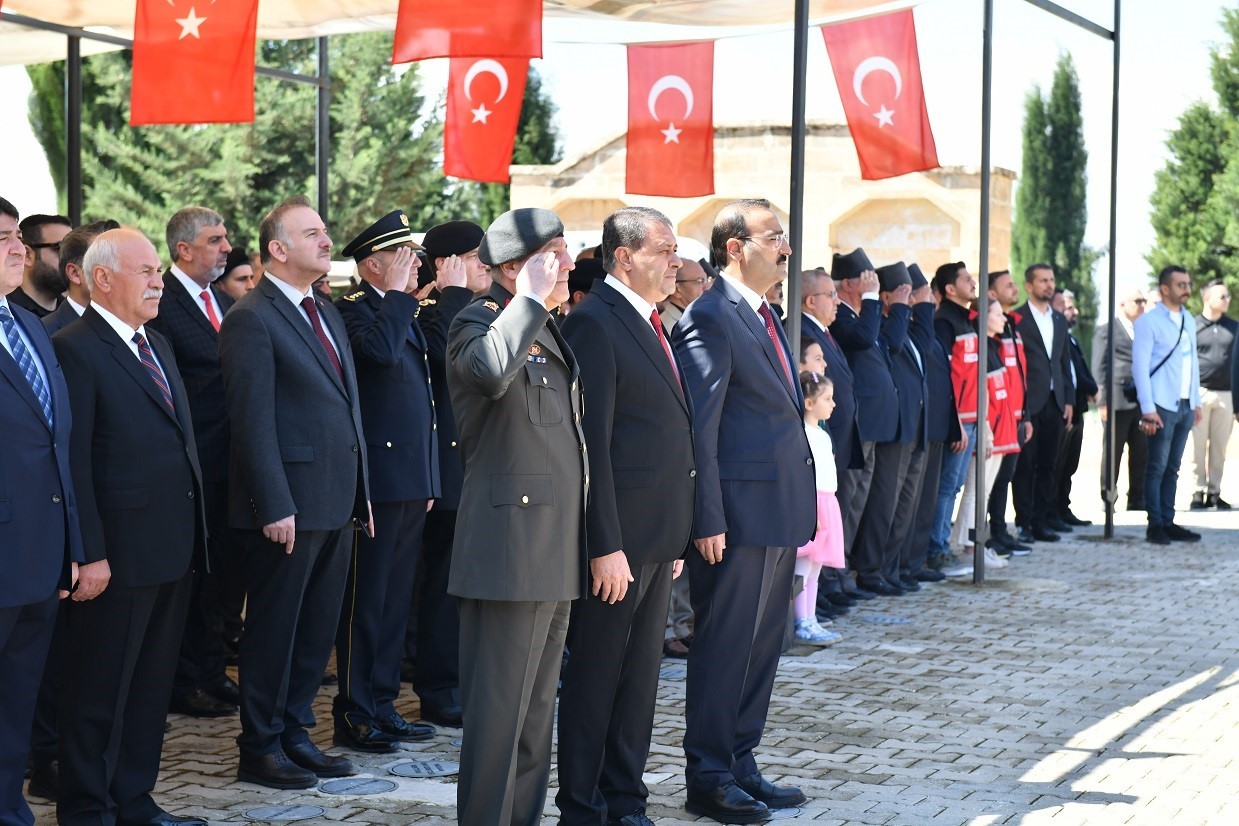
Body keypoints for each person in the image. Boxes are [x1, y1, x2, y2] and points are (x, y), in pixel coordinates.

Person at [53, 227, 207, 826]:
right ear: (102, 279)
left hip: (170, 548)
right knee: (98, 694)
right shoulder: (75, 347)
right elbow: (75, 460)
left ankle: (133, 800)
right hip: (115, 555)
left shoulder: (157, 343)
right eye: (144, 271)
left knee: (147, 691)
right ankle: (88, 810)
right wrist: (89, 551)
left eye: (156, 271)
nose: (158, 279)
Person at [217, 195, 372, 789]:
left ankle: (294, 733)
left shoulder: (325, 311)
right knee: (276, 630)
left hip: (336, 500)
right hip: (289, 505)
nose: (327, 240)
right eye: (313, 233)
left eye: (325, 230)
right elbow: (250, 422)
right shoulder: (251, 317)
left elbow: (348, 408)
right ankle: (258, 746)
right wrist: (272, 502)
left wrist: (362, 494)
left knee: (315, 631)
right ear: (277, 249)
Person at [672, 198, 815, 823]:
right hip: (735, 518)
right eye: (774, 237)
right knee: (725, 648)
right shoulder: (711, 314)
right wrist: (707, 518)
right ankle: (707, 776)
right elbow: (699, 431)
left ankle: (740, 761)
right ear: (736, 248)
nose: (786, 249)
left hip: (774, 510)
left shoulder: (761, 313)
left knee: (762, 647)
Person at [445, 208, 586, 826]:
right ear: (512, 265)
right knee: (499, 721)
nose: (568, 263)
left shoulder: (548, 327)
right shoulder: (475, 322)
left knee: (534, 722)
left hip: (553, 546)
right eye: (554, 251)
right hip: (508, 550)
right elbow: (491, 373)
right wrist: (526, 299)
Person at [556, 206, 696, 825]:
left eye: (675, 250)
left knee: (640, 683)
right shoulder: (596, 322)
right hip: (617, 544)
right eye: (663, 250)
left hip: (656, 537)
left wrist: (671, 537)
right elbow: (592, 445)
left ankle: (625, 797)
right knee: (595, 680)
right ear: (622, 258)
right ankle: (581, 806)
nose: (676, 261)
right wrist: (603, 544)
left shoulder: (654, 321)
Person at [331, 210, 442, 753]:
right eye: (405, 255)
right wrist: (398, 295)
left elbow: (419, 401)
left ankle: (381, 702)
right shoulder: (352, 311)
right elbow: (377, 356)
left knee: (396, 599)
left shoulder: (404, 311)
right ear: (374, 264)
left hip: (408, 477)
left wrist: (427, 475)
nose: (416, 262)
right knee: (366, 600)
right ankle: (353, 710)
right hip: (376, 479)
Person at [0, 196, 81, 826]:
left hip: (40, 552)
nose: (17, 249)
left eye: (16, 238)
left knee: (17, 704)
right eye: (2, 238)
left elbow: (59, 443)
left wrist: (73, 543)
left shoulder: (28, 325)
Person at [146, 206, 242, 721]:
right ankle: (185, 680)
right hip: (193, 466)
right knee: (193, 581)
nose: (227, 248)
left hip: (229, 466)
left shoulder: (222, 302)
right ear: (183, 250)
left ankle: (210, 672)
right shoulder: (162, 301)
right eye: (216, 239)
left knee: (221, 579)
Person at [406, 220, 489, 729]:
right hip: (445, 470)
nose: (485, 265)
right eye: (476, 257)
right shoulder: (432, 309)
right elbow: (450, 359)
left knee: (468, 584)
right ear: (447, 264)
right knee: (442, 585)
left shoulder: (479, 307)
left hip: (477, 468)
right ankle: (438, 686)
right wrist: (453, 292)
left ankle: (462, 676)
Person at [830, 248, 901, 598]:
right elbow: (860, 339)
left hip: (872, 422)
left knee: (856, 501)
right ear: (847, 284)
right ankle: (834, 576)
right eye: (866, 278)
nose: (872, 283)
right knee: (845, 501)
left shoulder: (861, 313)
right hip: (858, 423)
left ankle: (843, 574)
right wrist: (873, 298)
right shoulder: (843, 315)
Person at [1132, 266, 1202, 545]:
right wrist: (1148, 408)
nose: (1186, 289)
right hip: (1160, 405)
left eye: (1187, 283)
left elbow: (1192, 363)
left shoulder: (1189, 320)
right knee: (1157, 466)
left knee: (1173, 467)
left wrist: (1195, 401)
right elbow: (1140, 368)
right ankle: (1155, 524)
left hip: (1185, 404)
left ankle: (1169, 520)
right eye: (1180, 284)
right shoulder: (1148, 322)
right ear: (1164, 289)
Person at [875, 261, 930, 593]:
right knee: (888, 504)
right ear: (886, 298)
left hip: (916, 427)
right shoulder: (886, 328)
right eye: (904, 294)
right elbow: (891, 345)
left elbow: (924, 340)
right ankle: (876, 570)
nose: (911, 301)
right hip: (897, 428)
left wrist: (922, 304)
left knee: (906, 505)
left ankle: (894, 568)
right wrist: (897, 308)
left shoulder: (907, 330)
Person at [1011, 264, 1075, 543]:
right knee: (1025, 464)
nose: (1049, 285)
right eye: (1043, 281)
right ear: (1029, 286)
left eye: (1051, 280)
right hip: (1028, 400)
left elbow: (1063, 362)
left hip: (1055, 400)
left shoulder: (1059, 320)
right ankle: (1024, 521)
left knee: (1049, 463)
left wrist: (1069, 400)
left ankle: (1041, 519)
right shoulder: (1017, 318)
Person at [900, 263, 955, 584]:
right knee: (910, 500)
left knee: (926, 499)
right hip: (916, 425)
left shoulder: (926, 331)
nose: (927, 303)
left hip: (931, 424)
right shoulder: (907, 329)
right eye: (920, 297)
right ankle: (904, 562)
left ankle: (915, 560)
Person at [929, 263, 980, 569]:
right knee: (946, 486)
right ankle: (936, 549)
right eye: (966, 279)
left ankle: (941, 544)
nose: (973, 282)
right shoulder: (945, 322)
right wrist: (956, 422)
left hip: (972, 419)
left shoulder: (967, 320)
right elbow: (945, 377)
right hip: (958, 421)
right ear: (950, 288)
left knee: (955, 485)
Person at [793, 372, 844, 646]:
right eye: (827, 398)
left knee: (815, 568)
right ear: (809, 403)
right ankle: (801, 621)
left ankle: (809, 617)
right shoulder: (802, 435)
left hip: (827, 502)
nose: (833, 403)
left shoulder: (821, 434)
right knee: (803, 566)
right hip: (813, 504)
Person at [984, 271, 1032, 555]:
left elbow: (1019, 376)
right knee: (995, 479)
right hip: (999, 417)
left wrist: (1024, 415)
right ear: (992, 293)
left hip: (1015, 416)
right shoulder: (994, 331)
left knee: (1006, 476)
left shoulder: (1013, 325)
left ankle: (1001, 530)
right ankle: (993, 533)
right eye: (1009, 285)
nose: (1015, 289)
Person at [1093, 287, 1149, 512]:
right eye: (1137, 301)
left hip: (1141, 401)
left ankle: (1137, 497)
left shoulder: (1144, 330)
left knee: (1141, 452)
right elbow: (1099, 366)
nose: (1142, 305)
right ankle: (1108, 497)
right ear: (1122, 304)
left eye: (1144, 301)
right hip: (1116, 400)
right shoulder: (1107, 330)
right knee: (1112, 453)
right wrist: (1102, 401)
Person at [1051, 288, 1098, 527]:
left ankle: (1063, 506)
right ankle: (1051, 510)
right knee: (1056, 462)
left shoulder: (1071, 338)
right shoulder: (1054, 336)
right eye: (1067, 306)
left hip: (1077, 406)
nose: (1074, 311)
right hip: (1060, 407)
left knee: (1070, 462)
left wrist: (1092, 387)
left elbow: (1080, 371)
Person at [1189, 279, 1236, 509]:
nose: (1227, 300)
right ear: (1206, 298)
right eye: (1222, 297)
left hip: (1226, 394)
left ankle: (1214, 491)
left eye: (1228, 297)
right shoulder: (1193, 325)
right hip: (1200, 393)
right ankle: (1197, 491)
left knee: (1219, 447)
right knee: (1197, 445)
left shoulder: (1234, 328)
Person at [12, 213, 71, 317]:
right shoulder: (7, 313)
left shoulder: (73, 314)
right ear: (27, 255)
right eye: (61, 248)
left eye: (74, 250)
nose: (71, 258)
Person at [661, 257, 712, 330]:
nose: (707, 287)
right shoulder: (668, 328)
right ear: (677, 290)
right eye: (700, 281)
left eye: (707, 279)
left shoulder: (694, 318)